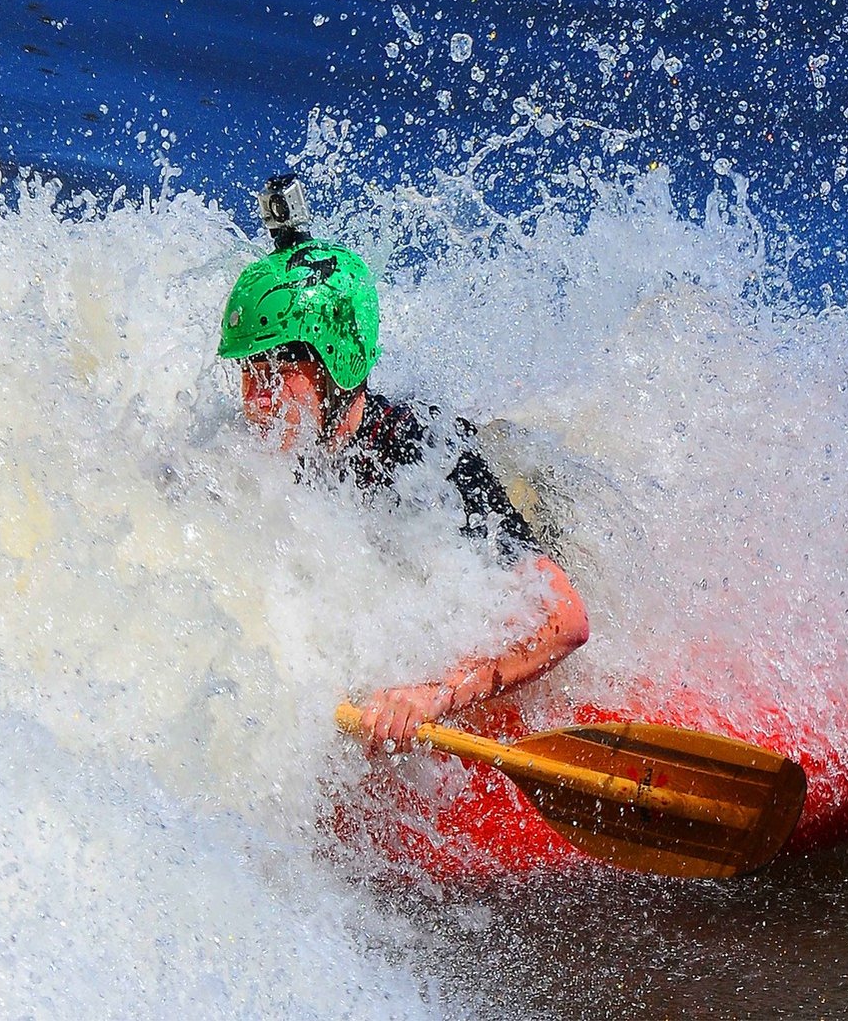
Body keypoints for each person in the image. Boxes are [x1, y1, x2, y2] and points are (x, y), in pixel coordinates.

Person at [217, 176, 589, 755]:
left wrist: (432, 694)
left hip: (529, 518)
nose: (253, 400)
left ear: (336, 361)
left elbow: (564, 619)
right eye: (246, 372)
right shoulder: (273, 458)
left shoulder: (427, 460)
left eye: (273, 372)